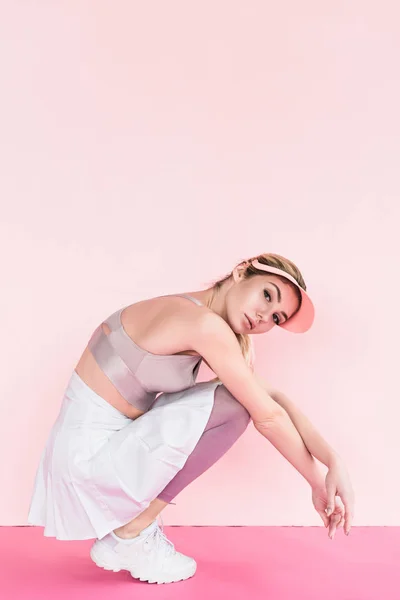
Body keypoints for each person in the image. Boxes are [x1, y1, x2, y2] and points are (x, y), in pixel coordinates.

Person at [27, 253, 355, 585]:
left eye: (276, 317)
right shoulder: (204, 326)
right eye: (267, 295)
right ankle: (132, 533)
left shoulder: (188, 311)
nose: (263, 317)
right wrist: (317, 483)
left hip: (85, 453)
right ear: (242, 272)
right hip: (87, 460)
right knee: (238, 405)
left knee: (240, 397)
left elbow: (273, 398)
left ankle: (133, 530)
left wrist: (332, 460)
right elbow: (267, 416)